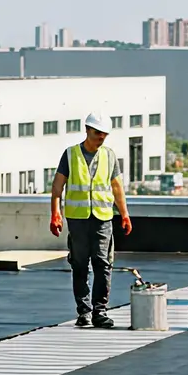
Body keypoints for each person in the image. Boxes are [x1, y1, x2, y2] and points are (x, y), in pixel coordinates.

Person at [49, 112, 132, 327]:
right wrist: (55, 213)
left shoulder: (109, 156)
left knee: (103, 264)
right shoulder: (70, 155)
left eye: (104, 134)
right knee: (79, 264)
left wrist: (124, 214)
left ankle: (100, 311)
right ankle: (84, 312)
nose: (100, 138)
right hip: (78, 219)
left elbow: (117, 188)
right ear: (87, 130)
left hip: (103, 218)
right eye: (97, 133)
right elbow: (58, 186)